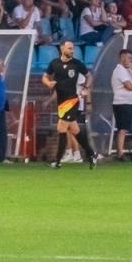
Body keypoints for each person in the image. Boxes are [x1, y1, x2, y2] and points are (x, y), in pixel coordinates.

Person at [42, 40, 97, 169]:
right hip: (61, 102)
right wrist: (48, 83)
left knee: (61, 128)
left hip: (72, 100)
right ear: (62, 49)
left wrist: (85, 88)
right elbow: (45, 76)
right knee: (75, 130)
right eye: (69, 48)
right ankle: (92, 153)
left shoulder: (77, 64)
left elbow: (89, 76)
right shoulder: (54, 63)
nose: (72, 51)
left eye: (73, 49)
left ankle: (57, 161)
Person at [109, 49, 132, 161]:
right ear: (122, 58)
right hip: (121, 102)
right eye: (128, 58)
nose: (130, 60)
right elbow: (129, 86)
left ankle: (120, 152)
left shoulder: (128, 70)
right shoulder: (119, 70)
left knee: (125, 128)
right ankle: (120, 153)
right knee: (122, 129)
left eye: (131, 58)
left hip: (128, 102)